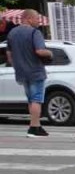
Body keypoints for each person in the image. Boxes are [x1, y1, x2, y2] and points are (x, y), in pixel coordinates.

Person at [6, 9, 53, 138]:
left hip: (21, 72)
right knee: (37, 99)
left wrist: (16, 66)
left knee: (31, 99)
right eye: (37, 18)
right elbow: (40, 51)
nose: (38, 21)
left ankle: (37, 126)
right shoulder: (34, 32)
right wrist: (50, 53)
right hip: (35, 71)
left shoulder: (12, 33)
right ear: (29, 18)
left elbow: (9, 55)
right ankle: (34, 127)